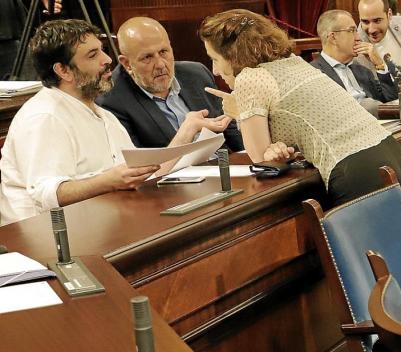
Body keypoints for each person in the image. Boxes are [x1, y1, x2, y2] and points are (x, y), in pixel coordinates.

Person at [0, 19, 231, 226]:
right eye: (93, 55)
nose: (107, 59)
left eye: (102, 50)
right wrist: (109, 181)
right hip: (44, 236)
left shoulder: (102, 114)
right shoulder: (44, 117)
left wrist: (186, 134)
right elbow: (46, 194)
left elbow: (139, 174)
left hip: (101, 222)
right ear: (63, 70)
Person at [199, 9, 401, 207]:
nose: (215, 70)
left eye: (215, 59)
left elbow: (260, 158)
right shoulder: (294, 61)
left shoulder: (249, 78)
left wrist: (240, 113)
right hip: (390, 153)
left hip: (357, 171)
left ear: (233, 55)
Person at [97, 17, 243, 151]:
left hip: (222, 165)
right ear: (127, 64)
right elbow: (140, 165)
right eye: (147, 57)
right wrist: (187, 132)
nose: (160, 64)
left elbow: (231, 133)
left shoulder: (196, 74)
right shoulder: (111, 101)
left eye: (163, 52)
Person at [312, 10, 398, 117]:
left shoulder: (362, 70)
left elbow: (392, 102)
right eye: (352, 31)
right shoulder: (315, 75)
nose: (358, 38)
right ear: (333, 37)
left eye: (356, 31)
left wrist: (379, 64)